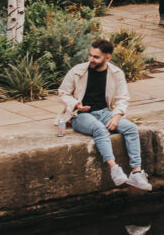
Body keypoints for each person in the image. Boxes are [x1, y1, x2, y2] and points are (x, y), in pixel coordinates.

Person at [58, 36, 152, 189]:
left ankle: (136, 173)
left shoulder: (116, 73)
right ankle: (114, 169)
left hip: (105, 112)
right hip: (80, 115)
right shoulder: (78, 71)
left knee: (131, 128)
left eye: (96, 57)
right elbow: (63, 93)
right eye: (90, 55)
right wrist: (76, 104)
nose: (91, 59)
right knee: (100, 129)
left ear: (107, 58)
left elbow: (123, 98)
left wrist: (116, 116)